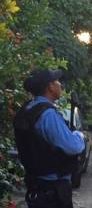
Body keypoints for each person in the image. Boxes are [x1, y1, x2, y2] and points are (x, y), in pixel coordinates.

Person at [13, 69, 85, 208]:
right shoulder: (47, 115)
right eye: (57, 81)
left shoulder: (27, 109)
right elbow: (72, 147)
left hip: (36, 186)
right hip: (53, 192)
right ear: (50, 87)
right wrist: (79, 135)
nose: (60, 85)